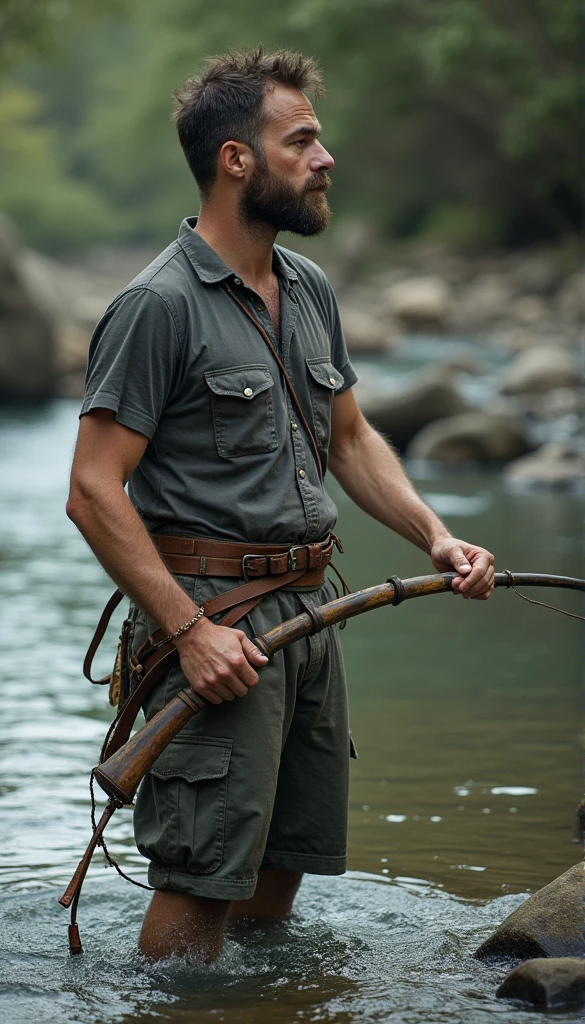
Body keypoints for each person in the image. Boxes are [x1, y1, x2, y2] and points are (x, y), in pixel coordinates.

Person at [67, 46, 495, 963]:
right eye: (301, 139)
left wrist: (436, 536)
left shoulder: (308, 290)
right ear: (236, 160)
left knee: (278, 879)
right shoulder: (157, 306)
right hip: (211, 628)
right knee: (199, 889)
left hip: (309, 617)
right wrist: (188, 632)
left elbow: (350, 440)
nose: (325, 157)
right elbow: (93, 491)